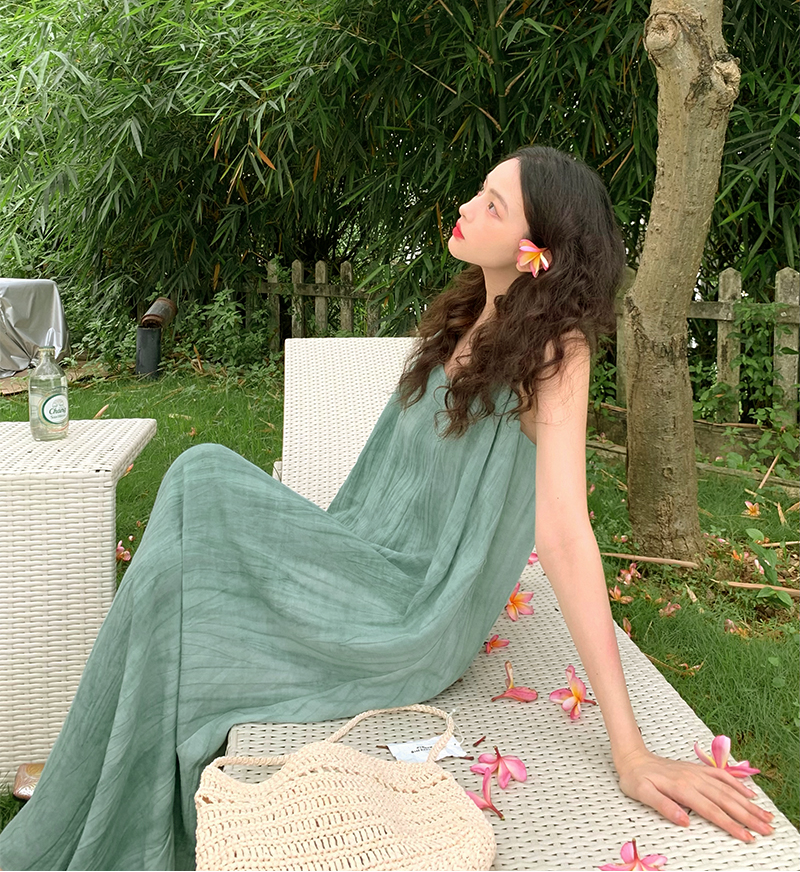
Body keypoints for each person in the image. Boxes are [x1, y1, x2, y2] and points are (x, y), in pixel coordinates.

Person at [0, 146, 773, 871]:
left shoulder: (555, 351)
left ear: (535, 249)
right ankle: (94, 759)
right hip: (367, 554)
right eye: (480, 191)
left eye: (493, 205)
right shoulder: (468, 315)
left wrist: (630, 748)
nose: (466, 207)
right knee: (192, 513)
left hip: (415, 609)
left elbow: (566, 530)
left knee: (200, 481)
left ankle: (94, 767)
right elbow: (391, 480)